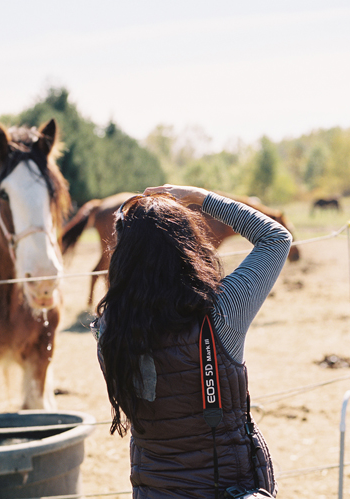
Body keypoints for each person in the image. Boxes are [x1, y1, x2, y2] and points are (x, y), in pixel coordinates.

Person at [91, 184, 292, 499]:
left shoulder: (107, 331)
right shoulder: (222, 313)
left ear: (122, 256)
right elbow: (276, 238)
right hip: (227, 487)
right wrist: (201, 198)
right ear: (191, 246)